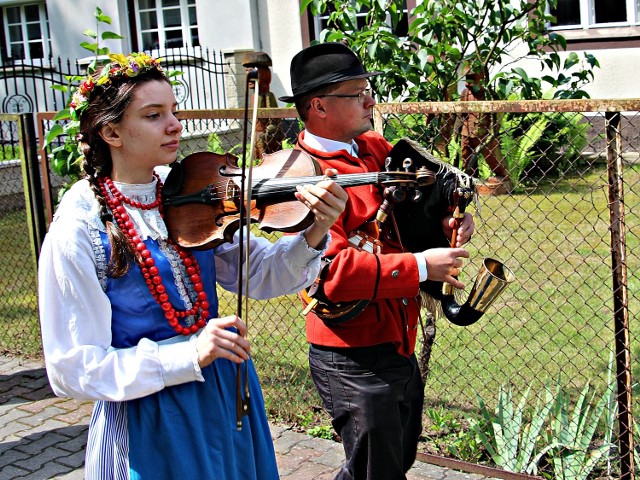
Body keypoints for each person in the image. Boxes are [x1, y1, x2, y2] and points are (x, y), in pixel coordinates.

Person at [37, 52, 348, 480]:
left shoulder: (189, 192)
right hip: (151, 417)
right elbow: (72, 369)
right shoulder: (80, 227)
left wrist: (317, 228)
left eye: (174, 111)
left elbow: (259, 273)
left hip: (224, 394)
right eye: (153, 115)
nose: (175, 125)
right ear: (111, 131)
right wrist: (189, 354)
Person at [279, 43, 476, 480]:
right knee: (376, 471)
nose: (371, 100)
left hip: (396, 339)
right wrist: (424, 267)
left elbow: (414, 211)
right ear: (319, 106)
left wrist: (451, 223)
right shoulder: (299, 179)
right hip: (352, 353)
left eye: (369, 89)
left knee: (392, 462)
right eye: (357, 93)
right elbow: (330, 273)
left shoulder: (371, 149)